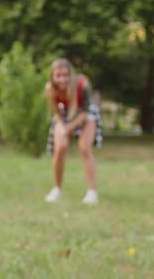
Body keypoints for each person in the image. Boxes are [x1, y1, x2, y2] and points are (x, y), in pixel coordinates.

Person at [44, 58, 103, 204]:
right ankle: (57, 189)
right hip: (64, 115)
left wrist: (70, 128)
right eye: (59, 75)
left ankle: (91, 192)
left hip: (86, 115)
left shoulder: (83, 85)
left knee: (84, 149)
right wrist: (63, 127)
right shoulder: (50, 89)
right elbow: (56, 112)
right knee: (60, 148)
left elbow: (85, 111)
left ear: (71, 75)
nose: (62, 79)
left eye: (66, 75)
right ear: (53, 76)